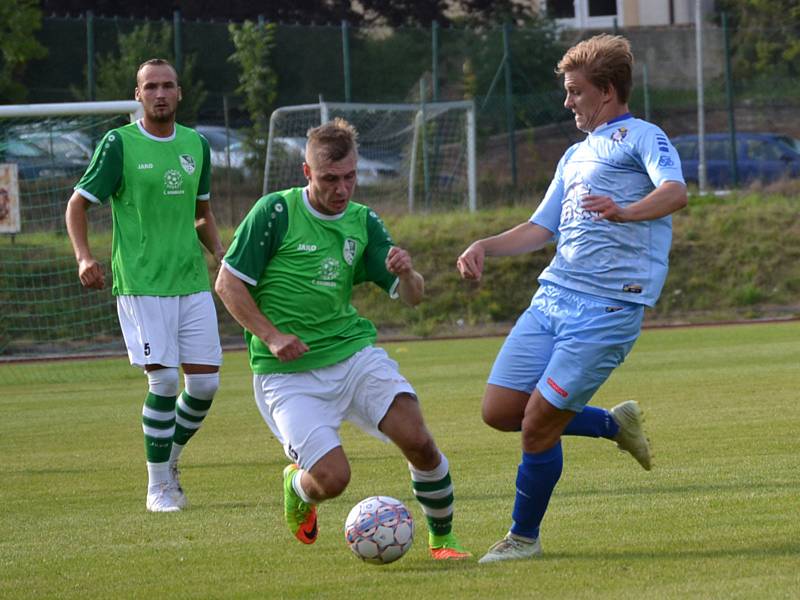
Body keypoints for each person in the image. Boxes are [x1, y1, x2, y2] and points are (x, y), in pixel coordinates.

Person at [457, 34, 688, 563]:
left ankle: (523, 538)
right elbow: (541, 229)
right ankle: (612, 422)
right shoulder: (574, 155)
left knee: (538, 423)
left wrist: (625, 211)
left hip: (609, 306)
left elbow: (674, 192)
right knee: (500, 410)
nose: (568, 102)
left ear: (606, 92)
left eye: (575, 91)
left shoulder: (642, 136)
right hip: (553, 298)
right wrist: (484, 246)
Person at [215, 118, 470, 560]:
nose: (343, 188)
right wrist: (272, 336)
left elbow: (411, 298)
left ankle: (442, 539)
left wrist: (408, 274)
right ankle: (297, 486)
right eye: (330, 179)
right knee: (332, 480)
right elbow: (228, 284)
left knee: (418, 438)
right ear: (306, 173)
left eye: (350, 177)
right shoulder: (275, 212)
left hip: (353, 356)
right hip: (288, 375)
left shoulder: (363, 221)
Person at [65, 58, 224, 513]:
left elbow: (201, 213)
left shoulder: (196, 144)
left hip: (191, 281)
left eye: (168, 86)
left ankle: (170, 460)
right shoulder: (119, 143)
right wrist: (84, 257)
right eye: (150, 86)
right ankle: (157, 489)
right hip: (141, 282)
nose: (160, 93)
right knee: (165, 380)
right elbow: (78, 204)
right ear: (138, 95)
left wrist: (220, 254)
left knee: (206, 386)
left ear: (180, 93)